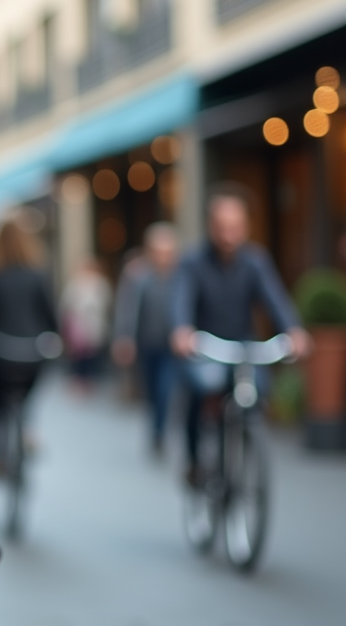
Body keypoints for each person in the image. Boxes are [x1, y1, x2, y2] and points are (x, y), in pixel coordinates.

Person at [171, 188, 310, 486]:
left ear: (246, 226)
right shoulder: (192, 263)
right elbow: (182, 299)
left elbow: (275, 299)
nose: (228, 235)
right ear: (211, 226)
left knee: (258, 391)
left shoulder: (255, 261)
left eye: (235, 227)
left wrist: (294, 330)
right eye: (222, 227)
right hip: (205, 345)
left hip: (244, 345)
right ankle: (196, 460)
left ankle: (244, 446)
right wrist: (182, 330)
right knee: (201, 390)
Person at [0, 219, 57, 478]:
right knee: (28, 396)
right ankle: (27, 430)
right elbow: (51, 317)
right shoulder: (38, 275)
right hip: (32, 354)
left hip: (1, 353)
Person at [112, 223, 180, 457]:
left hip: (171, 346)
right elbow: (128, 310)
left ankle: (160, 431)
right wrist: (124, 338)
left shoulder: (180, 276)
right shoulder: (139, 275)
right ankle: (156, 427)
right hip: (147, 344)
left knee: (165, 389)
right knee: (151, 391)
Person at [60, 257, 111, 391]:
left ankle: (89, 379)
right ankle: (78, 379)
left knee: (91, 354)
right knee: (77, 354)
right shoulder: (74, 284)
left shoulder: (100, 283)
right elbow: (66, 304)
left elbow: (105, 303)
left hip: (93, 325)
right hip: (78, 326)